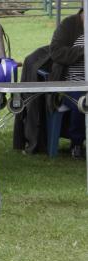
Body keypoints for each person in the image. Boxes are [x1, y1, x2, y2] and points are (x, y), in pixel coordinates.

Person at [49, 8, 86, 159]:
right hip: (72, 83)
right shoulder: (69, 25)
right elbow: (56, 52)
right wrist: (83, 51)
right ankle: (77, 143)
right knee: (82, 100)